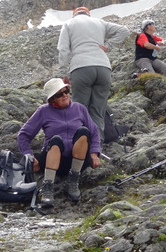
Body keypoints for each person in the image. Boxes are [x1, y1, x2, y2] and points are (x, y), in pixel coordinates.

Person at [17, 78, 102, 208]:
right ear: (52, 99)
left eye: (66, 91)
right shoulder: (43, 111)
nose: (65, 95)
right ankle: (47, 187)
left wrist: (94, 153)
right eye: (59, 94)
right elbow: (23, 135)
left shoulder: (80, 108)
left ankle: (73, 180)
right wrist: (29, 156)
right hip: (52, 160)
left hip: (78, 161)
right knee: (56, 140)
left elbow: (94, 131)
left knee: (83, 132)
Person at [57, 7, 129, 141]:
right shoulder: (99, 22)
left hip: (81, 67)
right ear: (88, 14)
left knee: (80, 110)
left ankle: (81, 144)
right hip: (103, 67)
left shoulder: (69, 24)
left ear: (74, 15)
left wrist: (63, 73)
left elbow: (63, 49)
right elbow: (124, 30)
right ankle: (97, 145)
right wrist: (108, 45)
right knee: (98, 112)